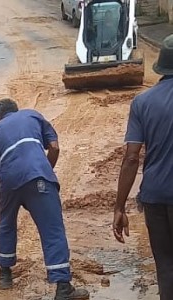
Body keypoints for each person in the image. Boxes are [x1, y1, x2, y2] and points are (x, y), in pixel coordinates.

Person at [0, 99, 89, 300]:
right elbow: (54, 147)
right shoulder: (32, 115)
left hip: (9, 182)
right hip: (39, 177)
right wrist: (44, 171)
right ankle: (63, 288)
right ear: (16, 111)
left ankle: (5, 276)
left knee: (6, 224)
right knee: (52, 229)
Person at [113, 34, 173, 300]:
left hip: (155, 196)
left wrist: (119, 206)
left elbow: (131, 158)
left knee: (165, 265)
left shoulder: (142, 102)